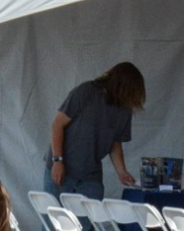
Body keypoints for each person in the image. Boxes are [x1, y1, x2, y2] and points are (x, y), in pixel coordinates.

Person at [46, 61, 145, 198]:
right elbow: (57, 124)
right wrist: (57, 161)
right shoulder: (87, 91)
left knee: (90, 218)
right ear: (119, 84)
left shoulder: (124, 110)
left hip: (90, 176)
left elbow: (115, 143)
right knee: (56, 218)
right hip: (63, 168)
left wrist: (122, 172)